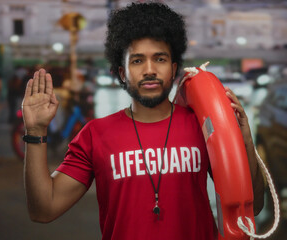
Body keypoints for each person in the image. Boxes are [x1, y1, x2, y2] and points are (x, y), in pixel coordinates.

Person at [22, 2, 264, 240]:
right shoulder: (95, 134)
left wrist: (245, 141)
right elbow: (44, 210)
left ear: (174, 68)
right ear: (121, 73)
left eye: (160, 59)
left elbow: (252, 208)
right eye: (137, 60)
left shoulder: (202, 126)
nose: (150, 70)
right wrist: (35, 131)